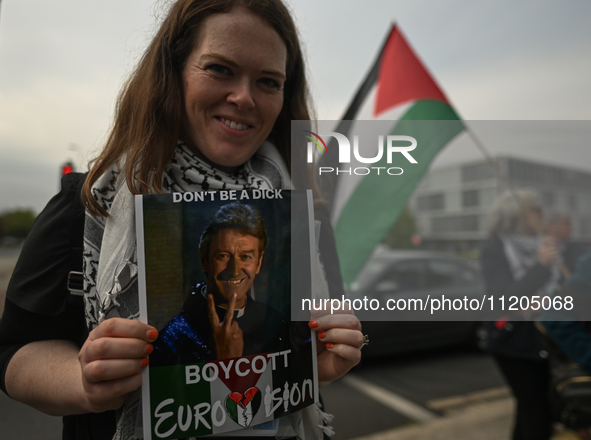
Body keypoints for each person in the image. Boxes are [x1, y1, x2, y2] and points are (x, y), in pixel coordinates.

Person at [0, 1, 365, 439]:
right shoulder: (89, 203)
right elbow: (14, 351)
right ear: (173, 74)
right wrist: (82, 381)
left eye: (268, 81)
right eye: (220, 69)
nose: (244, 97)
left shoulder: (305, 215)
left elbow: (323, 345)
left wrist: (323, 361)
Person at [150, 202, 289, 366]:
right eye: (223, 256)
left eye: (245, 257)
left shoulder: (277, 324)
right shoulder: (171, 340)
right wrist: (223, 362)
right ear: (205, 259)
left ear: (259, 263)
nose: (235, 270)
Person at [480, 189, 558, 440]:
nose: (541, 214)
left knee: (532, 406)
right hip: (512, 340)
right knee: (536, 410)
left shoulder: (542, 244)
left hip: (544, 334)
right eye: (535, 209)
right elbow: (504, 298)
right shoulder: (495, 248)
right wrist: (541, 266)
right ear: (519, 216)